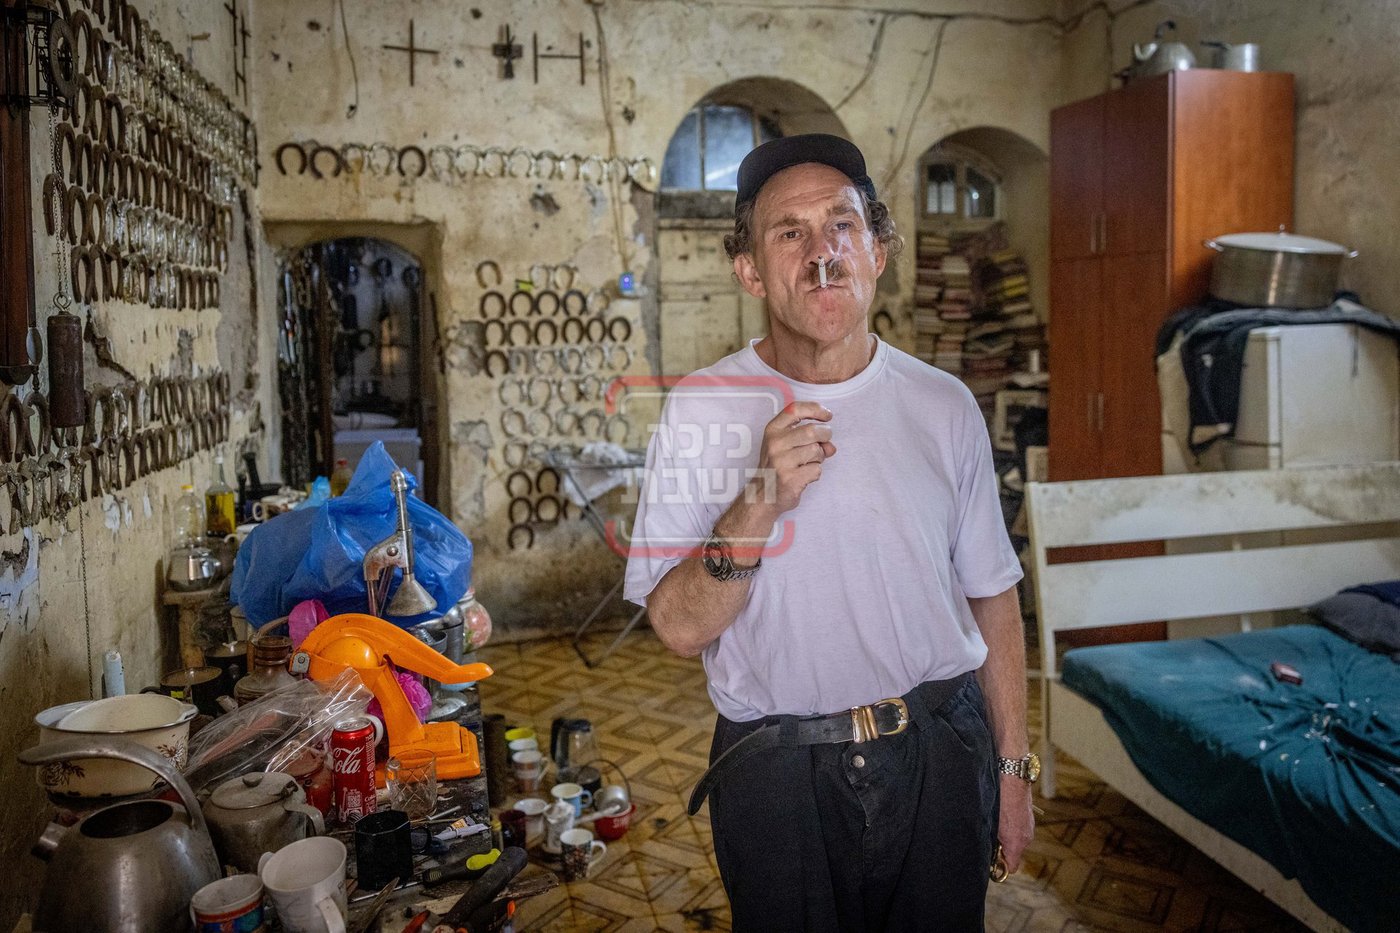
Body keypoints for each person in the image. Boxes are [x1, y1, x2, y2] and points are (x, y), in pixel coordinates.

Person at [624, 134, 1036, 931]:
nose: (823, 252)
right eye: (791, 232)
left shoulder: (944, 404)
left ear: (876, 250)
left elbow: (993, 594)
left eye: (842, 225)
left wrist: (1013, 769)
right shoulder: (701, 408)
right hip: (776, 771)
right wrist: (758, 499)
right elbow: (676, 627)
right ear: (750, 270)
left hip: (941, 752)